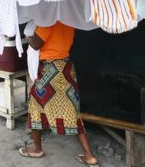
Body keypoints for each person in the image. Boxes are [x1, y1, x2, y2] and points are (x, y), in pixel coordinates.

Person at [19, 21, 98, 166]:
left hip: (49, 70)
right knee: (73, 112)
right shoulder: (68, 19)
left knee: (35, 106)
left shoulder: (48, 20)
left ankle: (37, 149)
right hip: (66, 67)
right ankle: (89, 155)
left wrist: (27, 35)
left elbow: (36, 44)